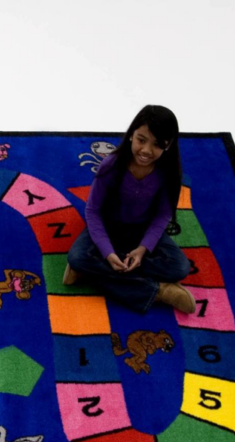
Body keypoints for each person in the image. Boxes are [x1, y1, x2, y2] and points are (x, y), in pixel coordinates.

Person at [64, 105, 196, 314]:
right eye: (141, 140)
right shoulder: (111, 165)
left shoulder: (167, 173)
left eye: (157, 144)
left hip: (142, 231)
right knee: (77, 257)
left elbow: (163, 214)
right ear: (131, 135)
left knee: (180, 267)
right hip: (108, 227)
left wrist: (143, 250)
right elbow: (93, 211)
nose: (146, 151)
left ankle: (90, 272)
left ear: (168, 145)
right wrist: (108, 253)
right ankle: (158, 291)